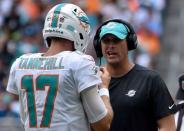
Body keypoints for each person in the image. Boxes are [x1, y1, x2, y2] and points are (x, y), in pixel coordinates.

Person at [6, 3, 113, 131]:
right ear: (78, 31)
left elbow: (25, 120)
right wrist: (104, 89)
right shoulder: (79, 62)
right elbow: (102, 125)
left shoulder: (20, 63)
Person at [93, 19, 176, 131]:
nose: (111, 45)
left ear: (130, 43)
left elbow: (168, 127)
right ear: (99, 45)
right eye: (106, 41)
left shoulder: (150, 80)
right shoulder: (92, 81)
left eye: (116, 40)